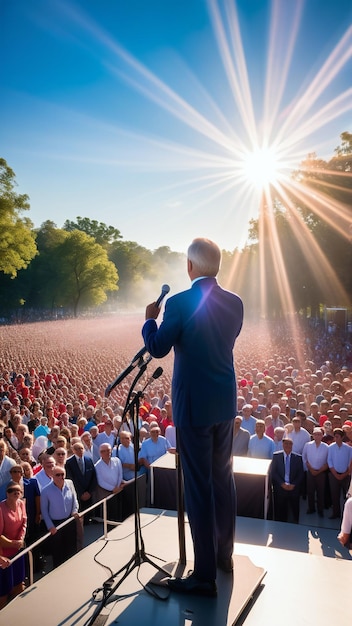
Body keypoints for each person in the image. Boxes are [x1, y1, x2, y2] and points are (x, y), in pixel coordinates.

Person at [142, 237, 243, 597]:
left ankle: (203, 576)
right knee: (222, 480)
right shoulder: (235, 303)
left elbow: (157, 348)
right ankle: (223, 556)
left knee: (199, 489)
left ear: (189, 266)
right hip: (223, 404)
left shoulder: (181, 303)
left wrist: (149, 321)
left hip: (193, 409)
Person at [40, 466, 79, 568]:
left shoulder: (69, 484)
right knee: (57, 550)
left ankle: (72, 568)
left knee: (71, 547)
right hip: (55, 524)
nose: (61, 477)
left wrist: (74, 511)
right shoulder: (45, 491)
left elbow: (75, 500)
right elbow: (44, 510)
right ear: (52, 476)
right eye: (58, 475)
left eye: (63, 474)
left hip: (69, 521)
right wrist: (50, 526)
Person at [0, 481, 27, 609]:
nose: (16, 492)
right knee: (3, 591)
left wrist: (21, 539)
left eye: (19, 490)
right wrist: (12, 543)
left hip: (18, 551)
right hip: (4, 555)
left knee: (19, 583)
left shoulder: (21, 504)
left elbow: (24, 523)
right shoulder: (1, 508)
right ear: (7, 493)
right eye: (12, 490)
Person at [270, 438, 305, 523]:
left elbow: (301, 474)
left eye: (290, 444)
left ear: (292, 445)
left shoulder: (298, 458)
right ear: (282, 445)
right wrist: (282, 483)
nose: (288, 446)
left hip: (293, 488)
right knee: (280, 511)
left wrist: (294, 484)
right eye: (286, 444)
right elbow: (273, 472)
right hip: (280, 487)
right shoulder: (276, 456)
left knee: (294, 510)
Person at [302, 427, 329, 517]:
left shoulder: (326, 447)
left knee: (320, 492)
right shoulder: (307, 445)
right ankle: (311, 508)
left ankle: (320, 510)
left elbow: (327, 461)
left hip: (321, 472)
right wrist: (310, 468)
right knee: (310, 491)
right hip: (311, 471)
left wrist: (319, 471)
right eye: (315, 434)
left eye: (319, 434)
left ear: (322, 436)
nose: (317, 436)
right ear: (313, 435)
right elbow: (304, 457)